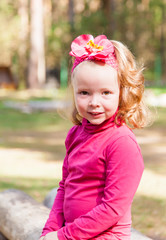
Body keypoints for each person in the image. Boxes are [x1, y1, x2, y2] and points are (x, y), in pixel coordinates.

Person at [39, 34, 150, 240]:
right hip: (73, 233)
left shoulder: (121, 143)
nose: (94, 102)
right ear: (74, 92)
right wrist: (49, 231)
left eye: (106, 92)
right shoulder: (75, 134)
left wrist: (63, 236)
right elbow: (64, 187)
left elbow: (112, 209)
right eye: (84, 93)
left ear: (121, 93)